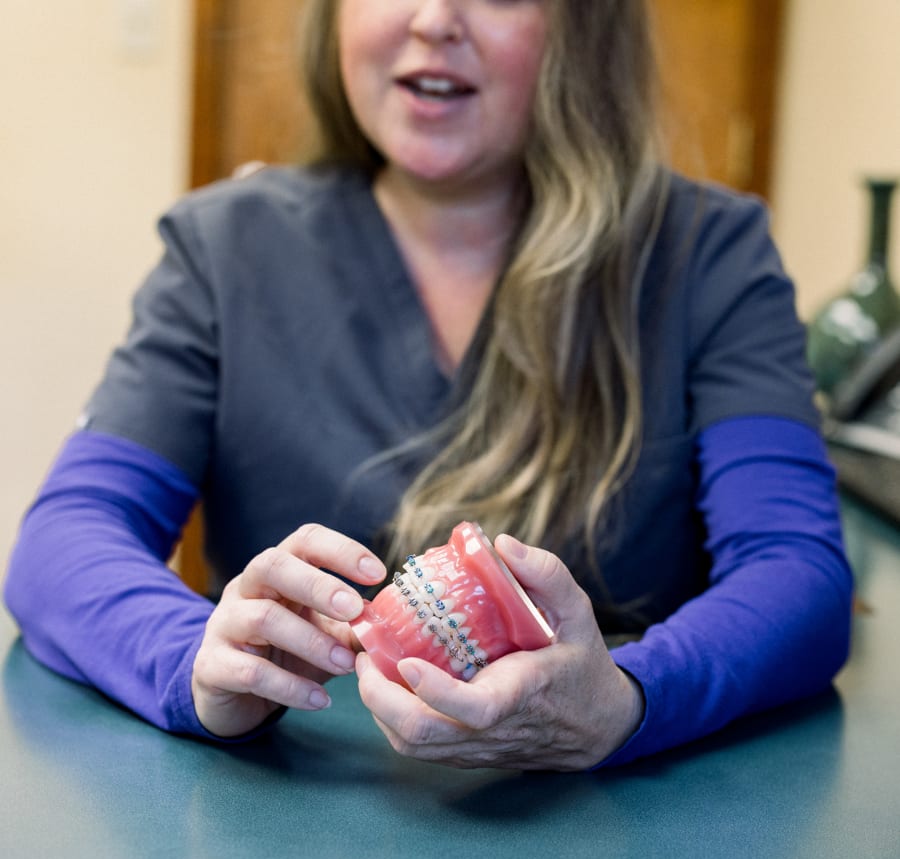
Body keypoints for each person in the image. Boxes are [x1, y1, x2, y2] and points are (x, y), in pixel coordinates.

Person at [3, 0, 852, 771]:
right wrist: (194, 657)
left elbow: (797, 572)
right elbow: (65, 539)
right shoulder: (224, 251)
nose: (435, 18)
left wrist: (628, 699)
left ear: (583, 28)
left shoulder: (709, 255)